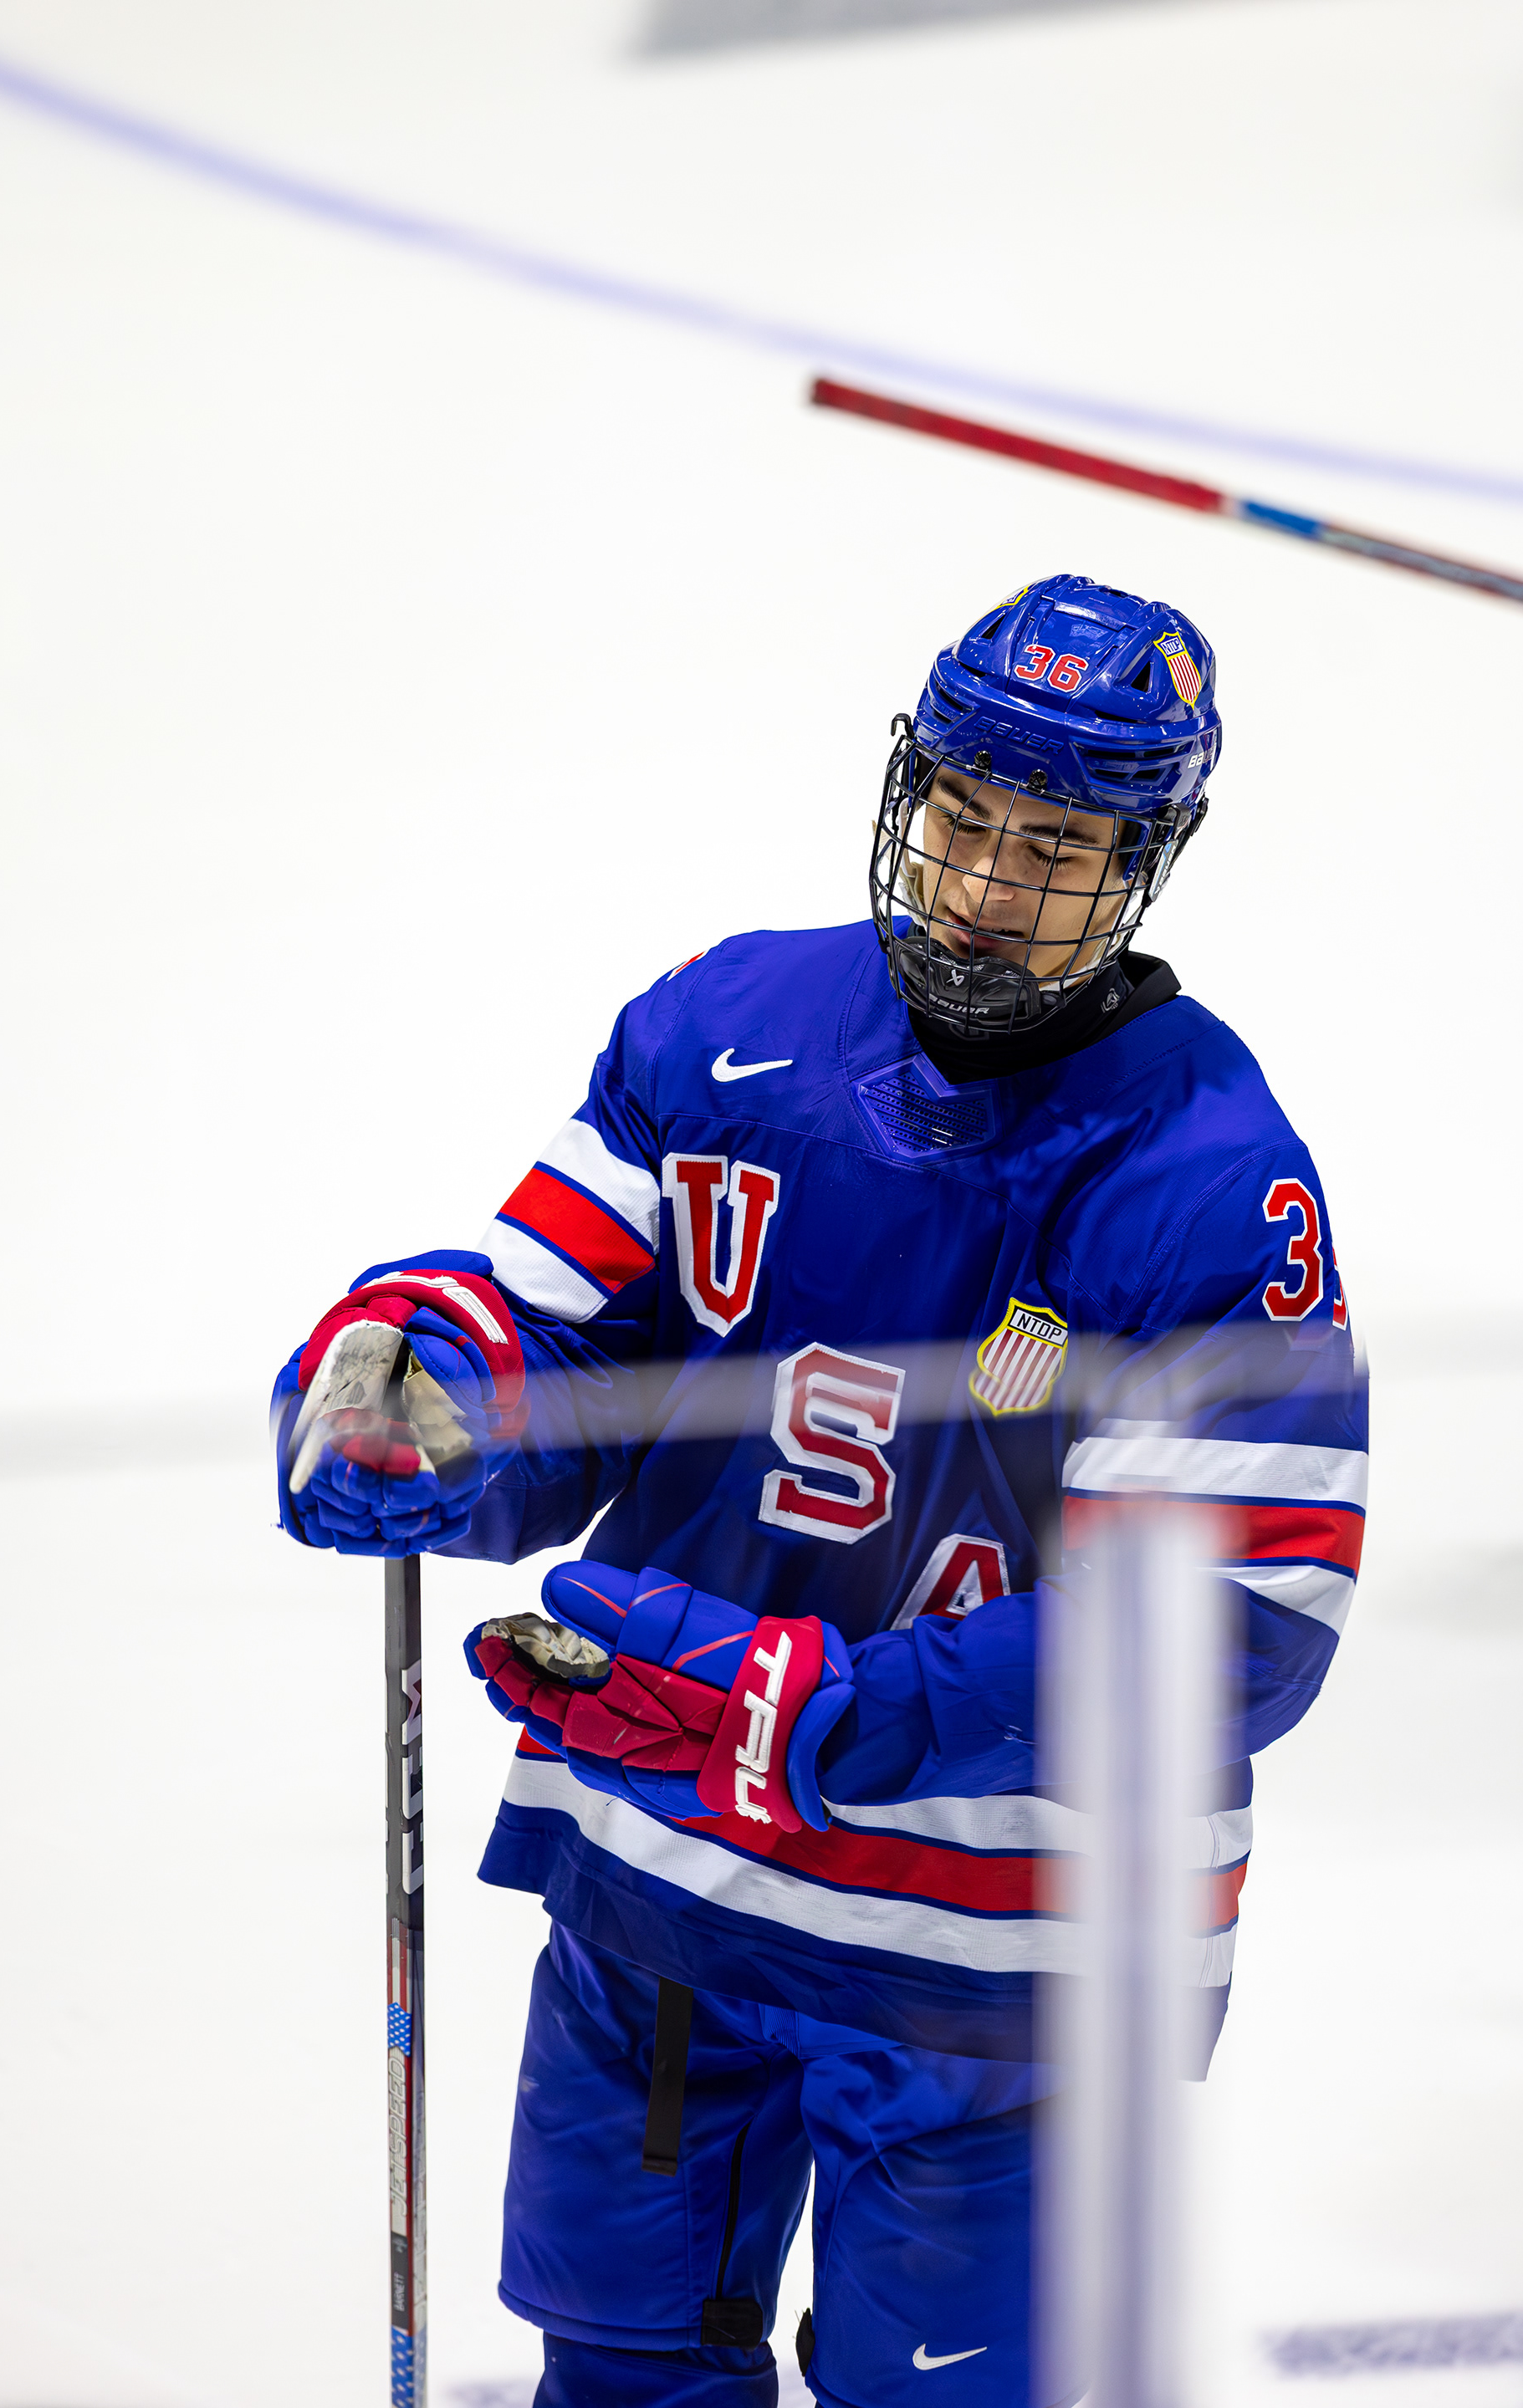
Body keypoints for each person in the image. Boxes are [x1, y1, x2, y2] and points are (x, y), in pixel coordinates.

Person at [273, 574, 1367, 2408]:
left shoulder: (1209, 1179)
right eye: (962, 816)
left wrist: (817, 1713)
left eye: (1057, 847)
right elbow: (559, 1336)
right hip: (670, 1878)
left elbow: (1236, 1623)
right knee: (620, 2365)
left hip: (995, 1961)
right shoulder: (725, 1028)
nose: (987, 883)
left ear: (1143, 861)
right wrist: (423, 1396)